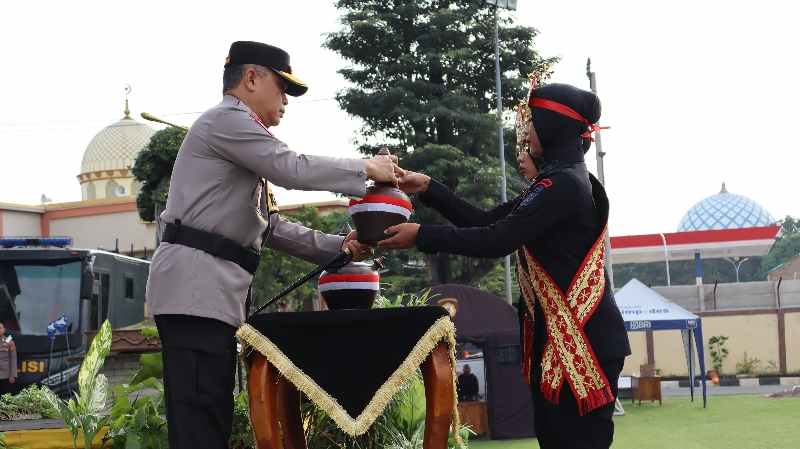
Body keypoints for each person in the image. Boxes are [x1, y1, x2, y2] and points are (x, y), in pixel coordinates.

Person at [145, 41, 398, 449]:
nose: (285, 100)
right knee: (199, 423)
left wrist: (341, 248)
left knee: (210, 417)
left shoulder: (239, 139)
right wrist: (365, 167)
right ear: (250, 79)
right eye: (281, 88)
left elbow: (270, 227)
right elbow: (291, 167)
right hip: (195, 292)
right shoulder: (227, 120)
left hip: (208, 294)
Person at [379, 82, 631, 449]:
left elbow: (496, 240)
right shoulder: (561, 182)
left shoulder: (563, 186)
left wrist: (421, 234)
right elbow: (483, 222)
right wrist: (429, 188)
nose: (527, 132)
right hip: (566, 341)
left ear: (554, 127)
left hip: (581, 344)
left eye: (533, 122)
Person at [0, 323, 17, 395]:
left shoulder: (9, 342)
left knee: (5, 396)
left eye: (0, 328)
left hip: (5, 375)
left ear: (4, 330)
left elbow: (13, 359)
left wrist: (12, 374)